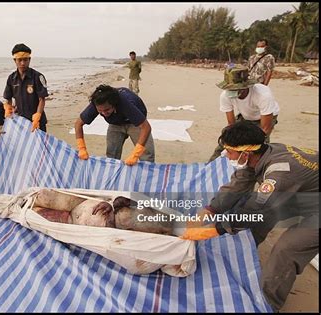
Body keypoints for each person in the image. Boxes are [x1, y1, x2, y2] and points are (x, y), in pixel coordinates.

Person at [181, 121, 318, 312]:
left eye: (229, 151)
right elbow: (239, 184)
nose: (226, 155)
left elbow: (254, 211)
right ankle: (244, 259)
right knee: (254, 220)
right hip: (304, 192)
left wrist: (214, 229)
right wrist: (210, 210)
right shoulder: (265, 152)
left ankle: (266, 304)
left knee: (286, 250)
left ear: (246, 153)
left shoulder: (279, 174)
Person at [208, 66, 280, 162]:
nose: (231, 91)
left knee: (257, 147)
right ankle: (211, 165)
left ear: (246, 86)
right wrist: (231, 144)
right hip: (246, 115)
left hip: (265, 117)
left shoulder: (262, 95)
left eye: (235, 89)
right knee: (227, 140)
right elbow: (231, 124)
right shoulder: (225, 96)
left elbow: (265, 129)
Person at [74, 84, 155, 166]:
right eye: (100, 111)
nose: (104, 113)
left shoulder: (126, 103)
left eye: (107, 110)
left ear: (114, 104)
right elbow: (78, 124)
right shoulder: (97, 103)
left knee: (146, 156)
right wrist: (82, 148)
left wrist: (135, 154)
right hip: (115, 123)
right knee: (111, 155)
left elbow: (146, 127)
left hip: (134, 123)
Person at [3, 43, 49, 132]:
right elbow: (8, 98)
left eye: (25, 60)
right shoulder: (11, 78)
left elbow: (41, 99)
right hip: (20, 121)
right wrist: (8, 109)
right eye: (19, 60)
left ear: (29, 59)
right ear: (14, 60)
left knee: (40, 145)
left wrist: (38, 114)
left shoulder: (38, 77)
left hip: (37, 120)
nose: (23, 63)